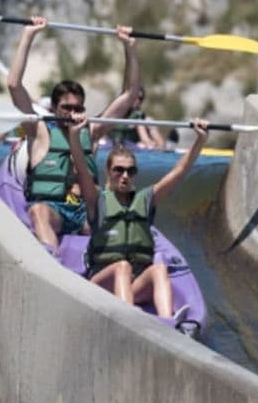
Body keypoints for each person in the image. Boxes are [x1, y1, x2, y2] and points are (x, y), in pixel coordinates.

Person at [7, 15, 141, 255]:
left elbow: (129, 94)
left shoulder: (93, 131)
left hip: (85, 211)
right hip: (52, 210)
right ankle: (52, 261)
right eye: (66, 108)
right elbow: (14, 85)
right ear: (54, 109)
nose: (72, 113)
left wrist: (129, 48)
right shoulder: (38, 131)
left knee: (110, 207)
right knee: (38, 212)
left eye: (77, 108)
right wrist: (29, 35)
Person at [68, 113, 208, 318]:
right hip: (102, 284)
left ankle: (167, 325)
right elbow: (80, 168)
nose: (125, 175)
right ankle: (131, 321)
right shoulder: (97, 198)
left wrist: (200, 140)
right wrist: (74, 135)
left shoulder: (145, 199)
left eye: (130, 171)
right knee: (122, 267)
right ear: (108, 172)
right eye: (118, 170)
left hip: (133, 285)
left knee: (159, 269)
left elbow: (179, 170)